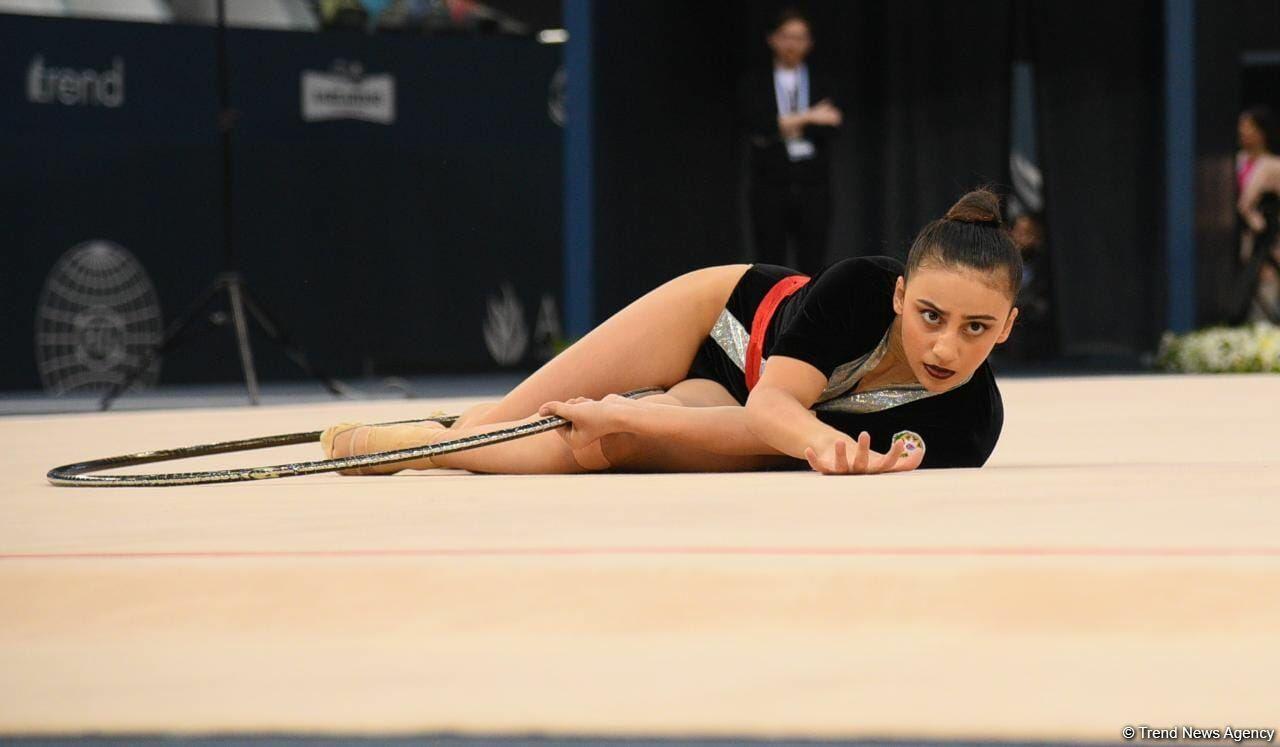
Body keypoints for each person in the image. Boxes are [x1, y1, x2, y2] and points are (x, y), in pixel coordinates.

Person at [323, 189, 1021, 476]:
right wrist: (826, 446)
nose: (945, 347)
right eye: (930, 315)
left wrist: (631, 418)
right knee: (505, 418)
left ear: (1007, 328)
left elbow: (755, 435)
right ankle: (453, 431)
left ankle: (429, 449)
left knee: (596, 445)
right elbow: (774, 405)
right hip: (719, 316)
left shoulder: (970, 426)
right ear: (900, 294)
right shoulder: (861, 285)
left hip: (740, 413)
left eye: (976, 328)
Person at [738, 8, 842, 273]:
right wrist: (810, 116)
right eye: (786, 37)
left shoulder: (822, 81)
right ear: (772, 39)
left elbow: (833, 124)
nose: (792, 45)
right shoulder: (756, 82)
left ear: (809, 43)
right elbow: (758, 125)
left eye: (799, 38)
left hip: (813, 185)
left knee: (813, 263)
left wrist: (785, 124)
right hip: (770, 185)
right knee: (769, 263)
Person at [1236, 106, 1280, 323]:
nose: (1242, 132)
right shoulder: (1236, 162)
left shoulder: (1273, 165)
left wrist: (1260, 224)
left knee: (1264, 302)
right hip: (1238, 245)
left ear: (1261, 132)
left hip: (1265, 245)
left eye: (1248, 127)